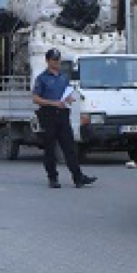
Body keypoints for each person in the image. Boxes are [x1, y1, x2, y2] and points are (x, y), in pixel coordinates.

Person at [32, 48, 96, 189]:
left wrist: (69, 98)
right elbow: (36, 99)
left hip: (63, 114)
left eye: (58, 59)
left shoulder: (63, 77)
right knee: (50, 148)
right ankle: (53, 178)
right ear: (48, 61)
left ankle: (78, 178)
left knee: (69, 147)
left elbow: (67, 92)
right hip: (48, 115)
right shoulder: (42, 78)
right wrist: (52, 103)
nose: (57, 62)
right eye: (54, 60)